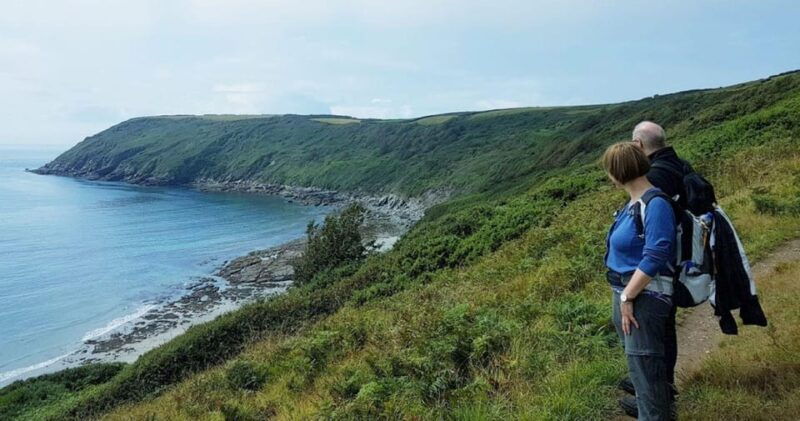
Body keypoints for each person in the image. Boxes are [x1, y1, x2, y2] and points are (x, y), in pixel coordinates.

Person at [618, 121, 688, 417]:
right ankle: (655, 391)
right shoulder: (678, 164)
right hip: (675, 266)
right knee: (661, 336)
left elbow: (656, 245)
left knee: (651, 344)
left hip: (654, 279)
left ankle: (656, 400)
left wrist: (628, 295)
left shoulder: (654, 179)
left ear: (638, 146)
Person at [602, 142, 676, 421]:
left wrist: (627, 297)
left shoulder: (654, 204)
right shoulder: (634, 203)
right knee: (642, 372)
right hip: (630, 294)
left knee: (647, 379)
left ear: (617, 172)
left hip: (643, 299)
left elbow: (656, 254)